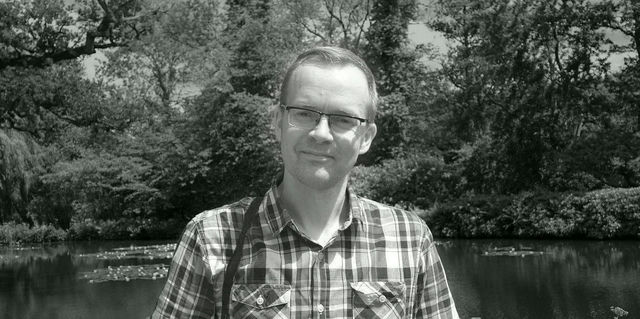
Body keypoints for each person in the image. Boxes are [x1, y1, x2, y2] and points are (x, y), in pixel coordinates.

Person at [151, 46, 459, 318]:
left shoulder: (410, 237)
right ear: (278, 123)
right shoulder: (212, 237)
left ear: (366, 137)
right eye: (304, 113)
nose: (321, 133)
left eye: (343, 119)